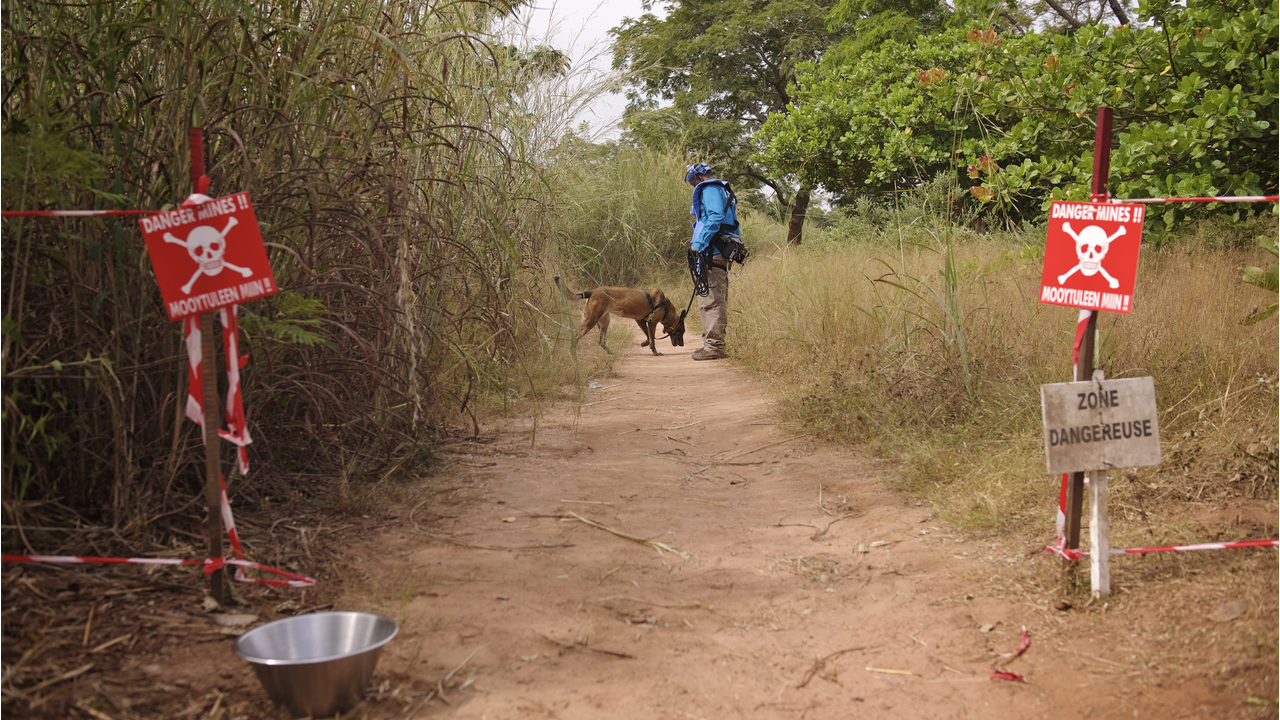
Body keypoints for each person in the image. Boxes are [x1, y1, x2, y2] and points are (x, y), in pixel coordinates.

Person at [685, 163, 739, 361]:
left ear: (698, 177)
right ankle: (709, 343)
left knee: (713, 298)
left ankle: (714, 346)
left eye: (692, 183)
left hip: (713, 251)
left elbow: (715, 217)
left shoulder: (709, 188)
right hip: (714, 251)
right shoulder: (721, 190)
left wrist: (699, 243)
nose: (692, 186)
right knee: (707, 297)